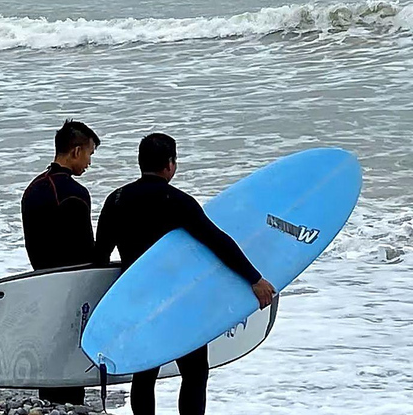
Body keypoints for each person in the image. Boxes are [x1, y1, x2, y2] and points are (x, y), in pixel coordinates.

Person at [95, 133, 276, 415]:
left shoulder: (116, 199)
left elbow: (100, 256)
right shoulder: (176, 200)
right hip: (178, 300)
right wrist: (254, 278)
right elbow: (217, 241)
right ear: (169, 164)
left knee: (144, 373)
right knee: (194, 372)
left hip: (137, 299)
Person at [21, 120, 101, 405]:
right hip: (70, 284)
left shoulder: (32, 189)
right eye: (90, 154)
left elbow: (32, 242)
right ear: (76, 151)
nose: (90, 162)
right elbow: (86, 249)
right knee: (68, 355)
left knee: (51, 352)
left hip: (42, 280)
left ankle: (50, 403)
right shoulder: (75, 194)